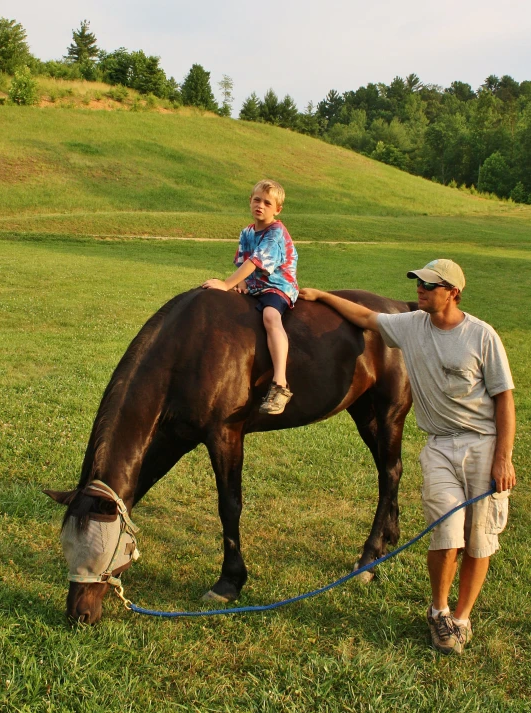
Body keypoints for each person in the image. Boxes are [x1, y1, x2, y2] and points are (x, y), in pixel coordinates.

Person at [299, 259, 516, 654]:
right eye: (418, 282)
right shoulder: (411, 327)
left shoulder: (482, 336)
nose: (420, 289)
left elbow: (504, 400)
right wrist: (318, 295)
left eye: (430, 285)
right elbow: (364, 315)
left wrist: (503, 458)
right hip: (439, 445)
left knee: (480, 539)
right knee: (446, 534)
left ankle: (462, 618)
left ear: (453, 292)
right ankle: (439, 612)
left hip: (483, 443)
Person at [202, 179, 299, 414]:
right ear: (250, 201)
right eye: (257, 200)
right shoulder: (247, 232)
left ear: (277, 209)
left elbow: (255, 262)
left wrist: (226, 283)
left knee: (270, 317)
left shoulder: (276, 232)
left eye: (268, 203)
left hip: (277, 286)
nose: (261, 206)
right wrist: (242, 282)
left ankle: (280, 383)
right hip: (255, 286)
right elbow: (243, 260)